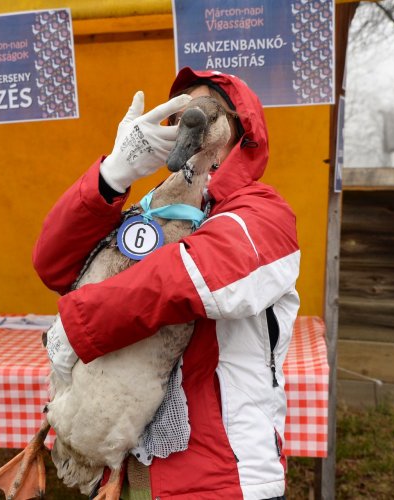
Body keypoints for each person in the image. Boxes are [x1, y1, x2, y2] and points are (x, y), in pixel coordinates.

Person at [33, 67, 300, 499]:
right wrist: (114, 175)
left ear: (239, 131)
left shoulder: (263, 213)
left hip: (217, 480)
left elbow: (194, 277)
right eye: (178, 116)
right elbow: (53, 265)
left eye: (206, 112)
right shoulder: (150, 209)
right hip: (128, 473)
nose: (186, 124)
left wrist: (80, 321)